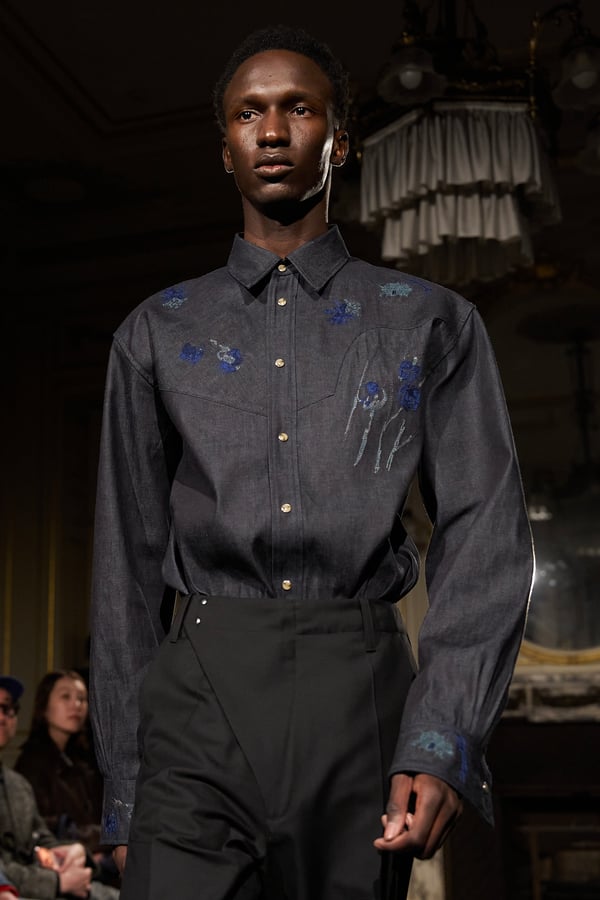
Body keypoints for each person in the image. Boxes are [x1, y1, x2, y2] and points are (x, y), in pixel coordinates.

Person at [89, 23, 534, 900]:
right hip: (198, 699)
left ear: (341, 137)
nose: (272, 130)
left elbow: (487, 535)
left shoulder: (430, 321)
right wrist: (127, 790)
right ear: (224, 148)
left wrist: (440, 739)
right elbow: (125, 569)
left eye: (298, 108)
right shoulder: (157, 331)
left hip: (359, 698)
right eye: (247, 113)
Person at [14, 671, 120, 890]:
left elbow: (111, 815)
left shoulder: (89, 760)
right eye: (65, 697)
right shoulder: (31, 764)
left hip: (101, 859)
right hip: (59, 864)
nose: (76, 705)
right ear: (44, 707)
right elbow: (42, 828)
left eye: (82, 699)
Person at [0, 675, 95, 899]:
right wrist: (57, 882)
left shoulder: (18, 785)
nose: (4, 717)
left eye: (10, 709)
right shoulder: (32, 765)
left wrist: (74, 851)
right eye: (65, 697)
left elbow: (42, 838)